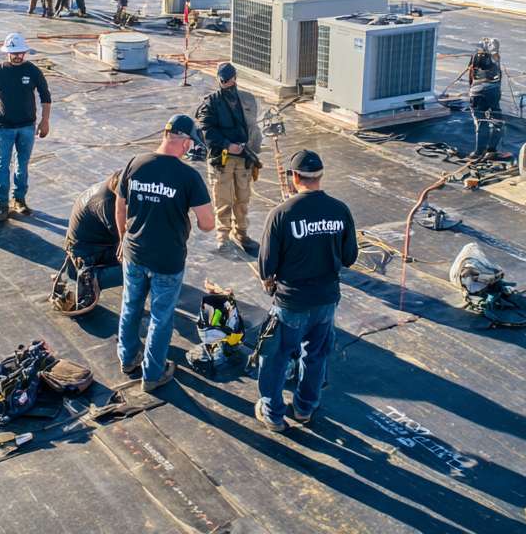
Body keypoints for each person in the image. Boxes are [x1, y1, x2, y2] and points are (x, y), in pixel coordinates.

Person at [253, 149, 357, 431]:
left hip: (291, 302)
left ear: (294, 177)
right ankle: (304, 408)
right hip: (326, 301)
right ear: (320, 177)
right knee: (316, 356)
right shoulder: (340, 210)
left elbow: (266, 265)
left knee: (275, 357)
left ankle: (273, 413)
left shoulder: (281, 214)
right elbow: (350, 258)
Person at [116, 115, 215, 391]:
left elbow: (120, 204)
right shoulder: (188, 177)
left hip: (134, 252)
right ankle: (152, 374)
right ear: (184, 142)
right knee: (161, 316)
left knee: (130, 306)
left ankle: (127, 358)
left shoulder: (135, 164)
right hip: (167, 260)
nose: (189, 149)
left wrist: (122, 238)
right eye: (190, 144)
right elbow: (208, 224)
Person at [0, 32, 52, 222]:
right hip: (4, 128)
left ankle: (19, 199)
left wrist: (45, 121)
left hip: (27, 127)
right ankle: (2, 204)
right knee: (2, 165)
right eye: (14, 53)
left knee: (22, 164)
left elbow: (46, 97)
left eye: (21, 52)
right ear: (7, 53)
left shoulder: (33, 71)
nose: (18, 56)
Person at [195, 62, 261, 255]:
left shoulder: (246, 100)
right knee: (222, 199)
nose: (226, 83)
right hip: (221, 158)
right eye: (222, 80)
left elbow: (253, 127)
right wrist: (226, 144)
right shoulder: (211, 103)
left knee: (242, 198)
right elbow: (206, 131)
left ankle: (241, 233)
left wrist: (252, 151)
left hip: (243, 158)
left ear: (234, 78)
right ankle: (223, 237)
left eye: (228, 79)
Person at [65, 171, 121, 270]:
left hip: (85, 244)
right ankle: (91, 277)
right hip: (89, 253)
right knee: (143, 261)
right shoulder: (107, 203)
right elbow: (126, 238)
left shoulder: (109, 187)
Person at [467, 38, 503, 158]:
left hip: (477, 93)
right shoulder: (495, 59)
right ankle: (491, 150)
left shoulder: (475, 58)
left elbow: (471, 77)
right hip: (492, 92)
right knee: (497, 121)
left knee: (481, 122)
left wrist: (471, 91)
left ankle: (478, 152)